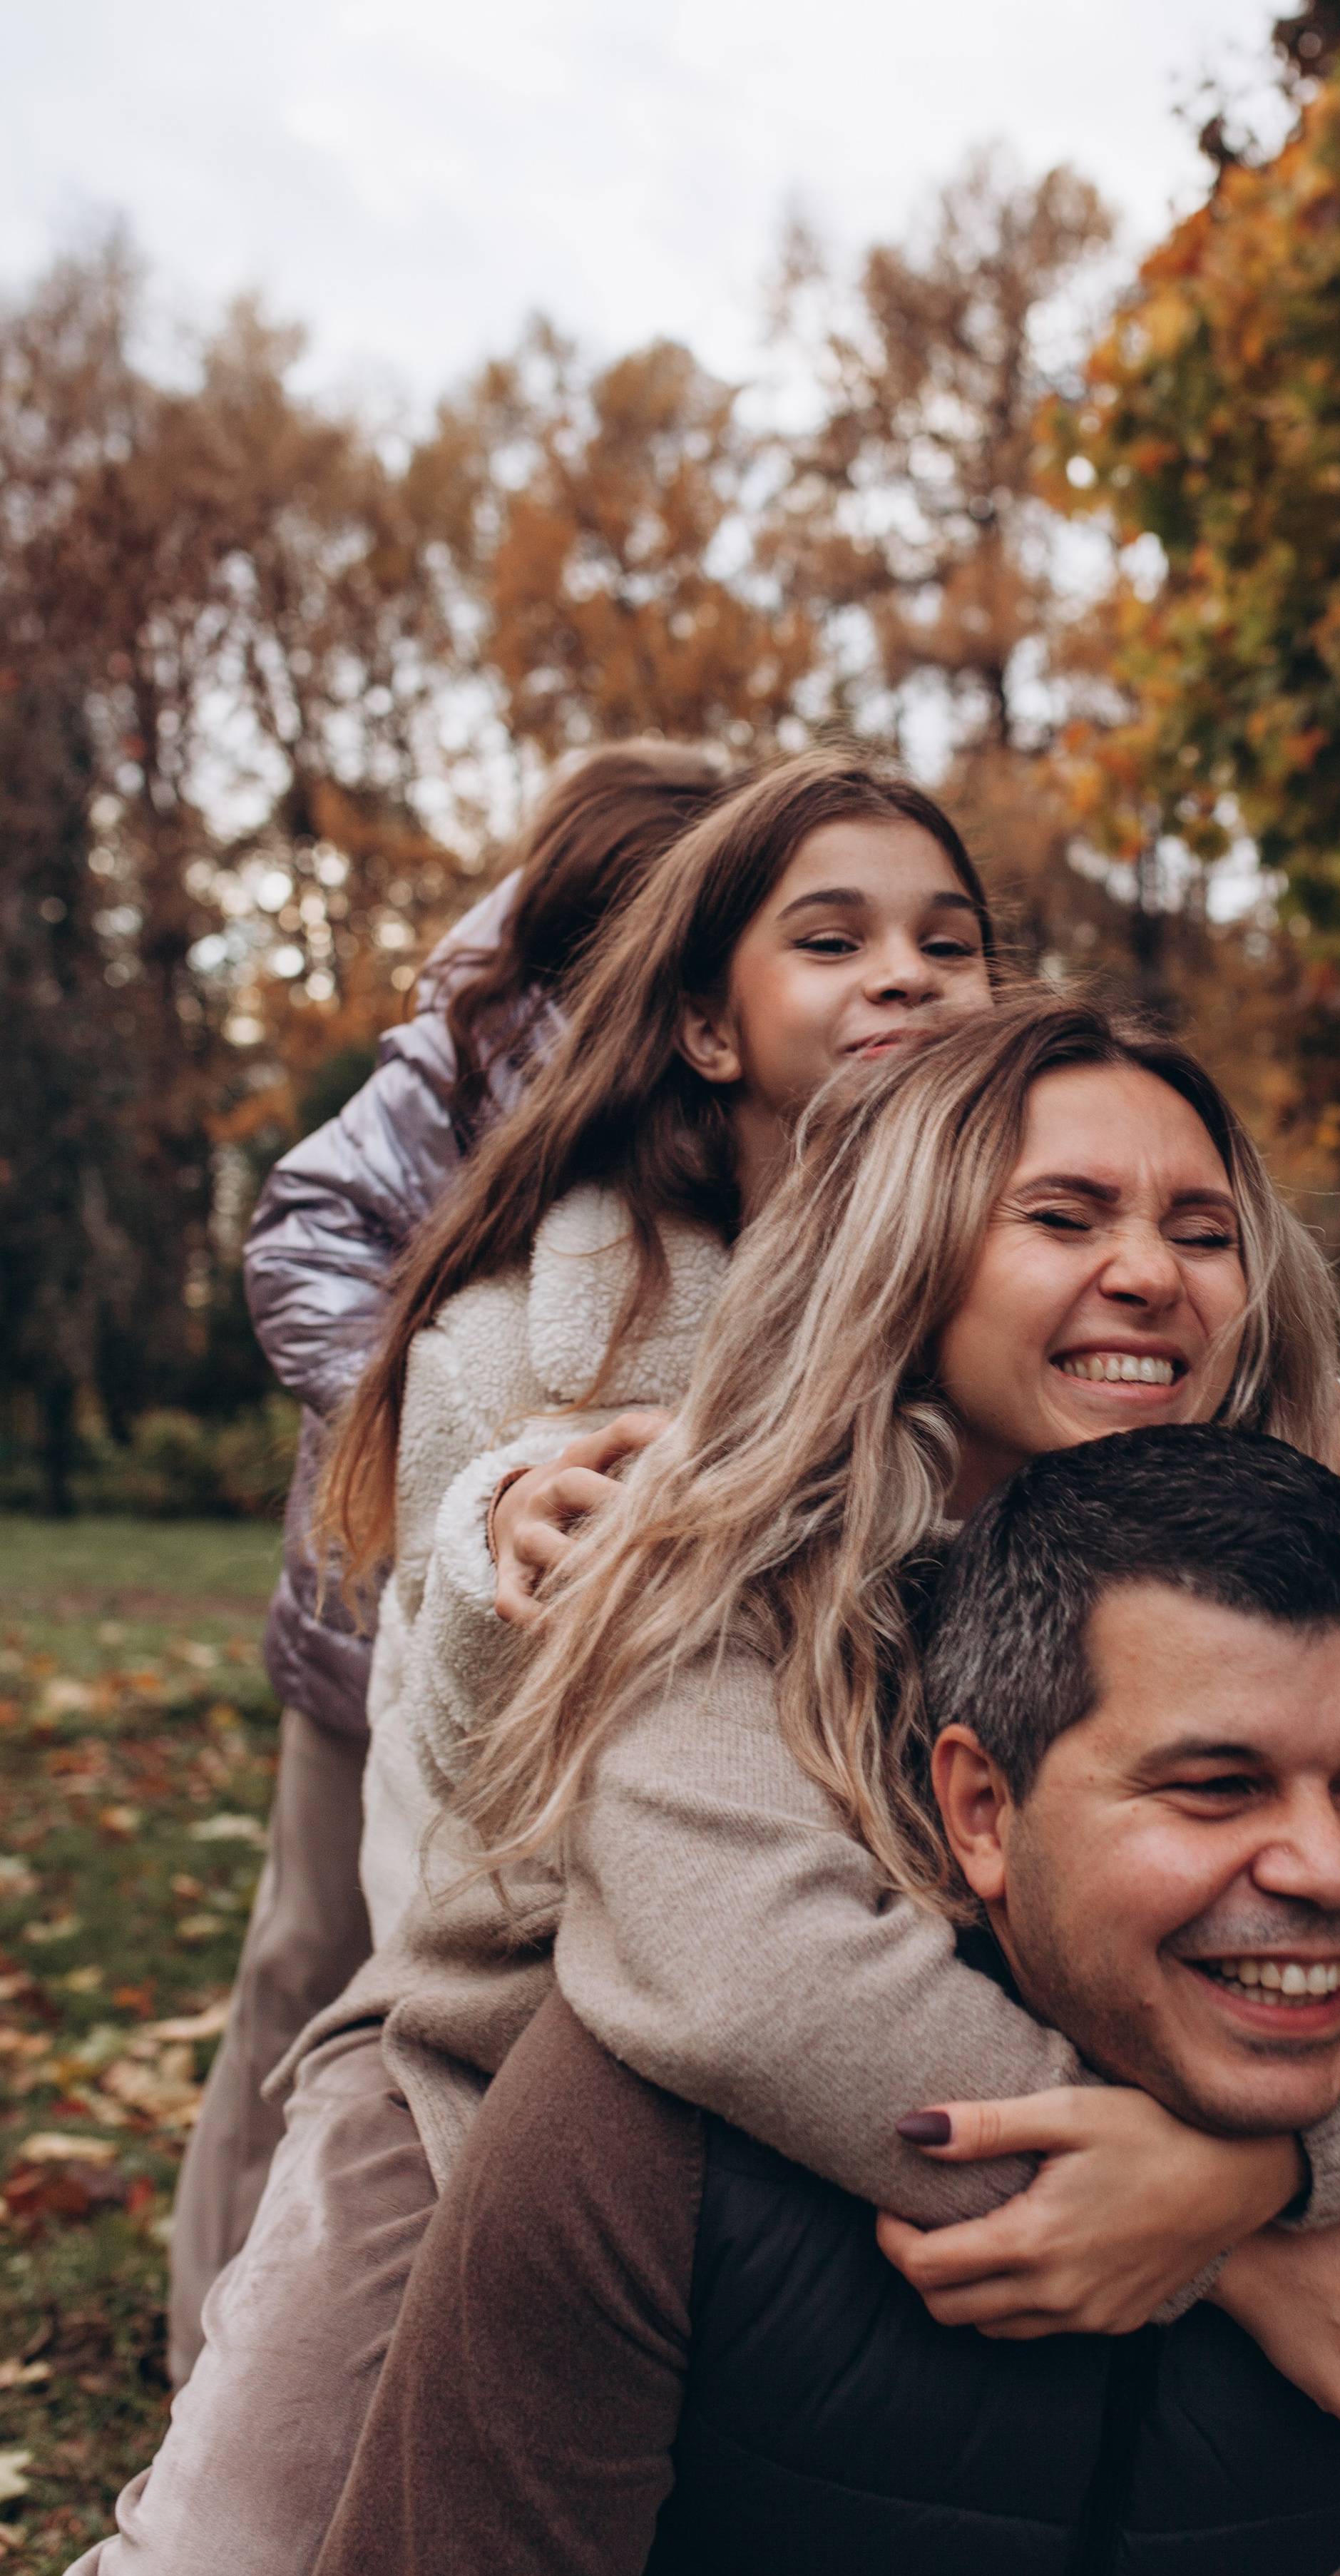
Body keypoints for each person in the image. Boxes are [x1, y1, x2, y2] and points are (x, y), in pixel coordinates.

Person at [51, 950, 1340, 2576]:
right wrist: (1234, 2237)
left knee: (1332, 2444)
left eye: (1204, 1229)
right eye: (1064, 1214)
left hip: (968, 2136)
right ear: (913, 1250)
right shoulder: (725, 1526)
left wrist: (1264, 2168)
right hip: (523, 2101)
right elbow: (743, 1979)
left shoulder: (1248, 1555)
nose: (1149, 1268)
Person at [255, 1423, 1340, 2576]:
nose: (1327, 1870)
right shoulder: (652, 2131)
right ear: (982, 1809)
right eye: (1215, 1786)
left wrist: (1263, 2196)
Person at [167, 740, 730, 2384]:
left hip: (600, 1617)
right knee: (307, 1961)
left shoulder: (738, 1057)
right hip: (374, 1606)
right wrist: (437, 1440)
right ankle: (215, 2340)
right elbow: (309, 1229)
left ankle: (430, 2343)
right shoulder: (476, 1050)